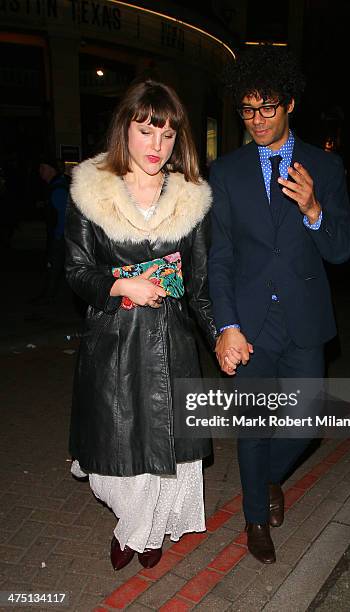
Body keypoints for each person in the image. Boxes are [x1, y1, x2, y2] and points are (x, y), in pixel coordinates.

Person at [208, 45, 350, 564]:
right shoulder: (225, 172)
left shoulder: (325, 166)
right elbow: (219, 258)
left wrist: (314, 208)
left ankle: (266, 478)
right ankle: (254, 516)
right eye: (248, 109)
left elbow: (341, 250)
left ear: (289, 103)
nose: (258, 120)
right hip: (249, 323)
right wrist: (225, 324)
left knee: (304, 421)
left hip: (303, 320)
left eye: (268, 107)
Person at [65, 80, 216, 571]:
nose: (157, 146)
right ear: (125, 128)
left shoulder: (190, 198)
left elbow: (199, 286)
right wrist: (120, 286)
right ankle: (131, 525)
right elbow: (76, 271)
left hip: (172, 344)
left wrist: (221, 337)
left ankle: (149, 534)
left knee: (167, 453)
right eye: (147, 131)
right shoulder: (92, 190)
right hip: (115, 346)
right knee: (121, 453)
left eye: (168, 135)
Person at [38, 157, 70, 302]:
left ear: (51, 170)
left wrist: (57, 236)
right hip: (59, 235)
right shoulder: (56, 186)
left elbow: (63, 215)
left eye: (43, 168)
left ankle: (48, 296)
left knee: (54, 265)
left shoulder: (58, 189)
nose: (40, 172)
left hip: (60, 236)